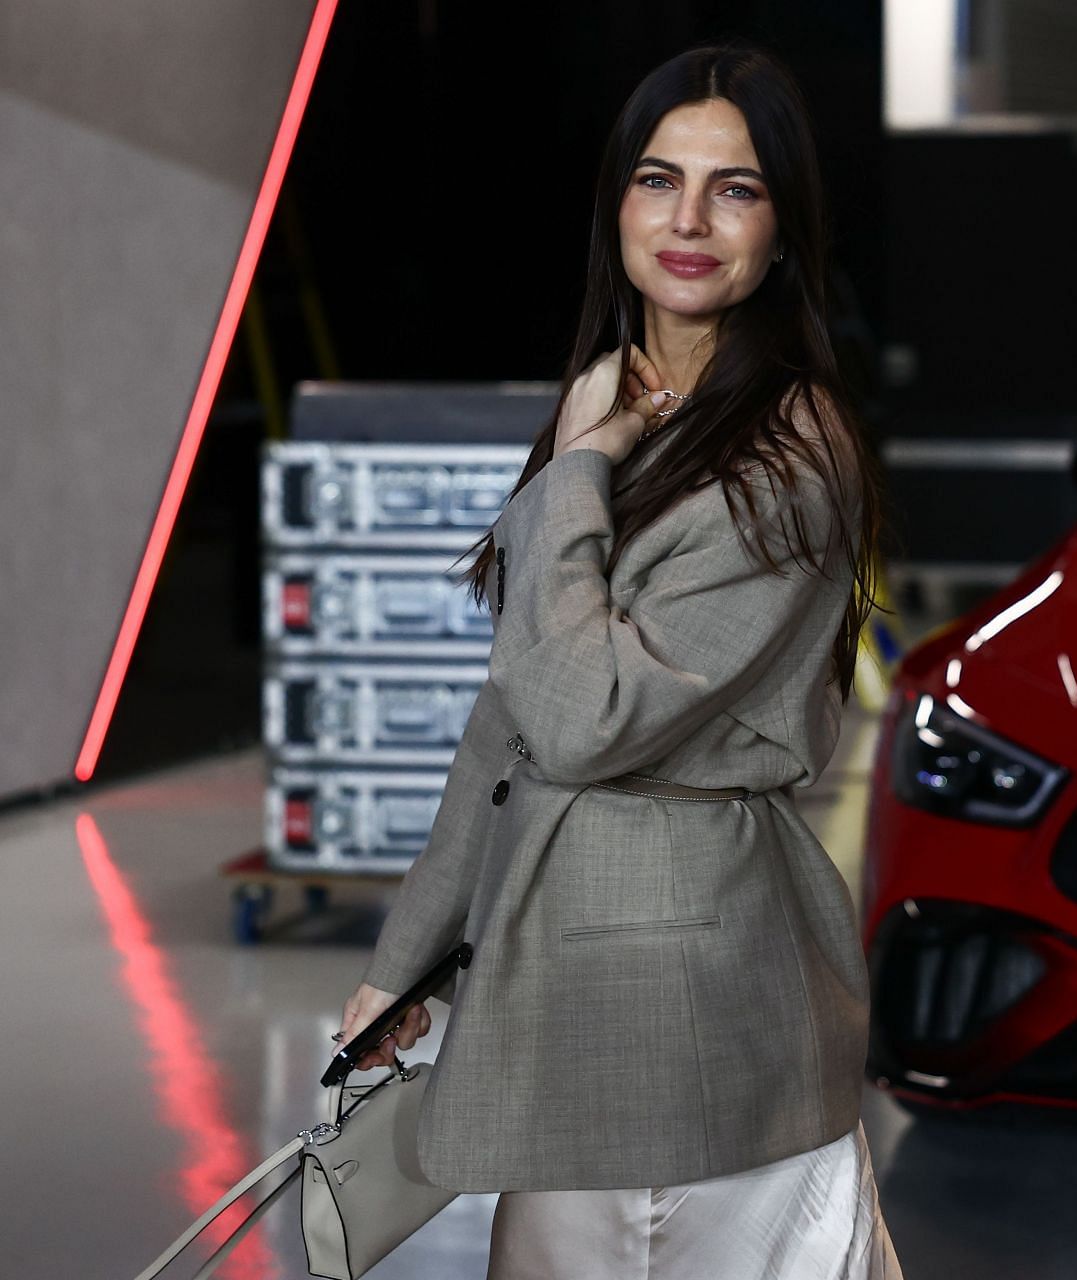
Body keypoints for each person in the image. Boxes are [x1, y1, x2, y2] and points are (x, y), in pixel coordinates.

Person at [335, 44, 902, 1279]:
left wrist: (579, 470)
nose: (689, 218)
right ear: (618, 207)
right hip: (566, 968)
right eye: (659, 179)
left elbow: (583, 716)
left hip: (689, 996)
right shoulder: (622, 411)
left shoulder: (788, 461)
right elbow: (510, 727)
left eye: (735, 188)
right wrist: (403, 961)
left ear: (783, 230)